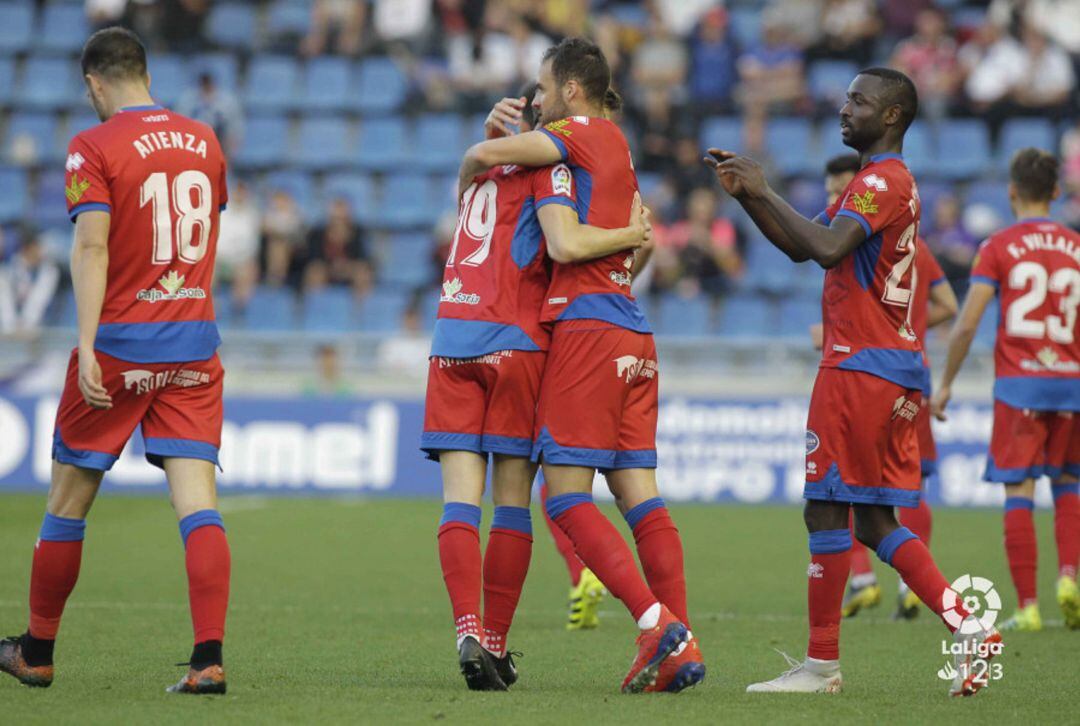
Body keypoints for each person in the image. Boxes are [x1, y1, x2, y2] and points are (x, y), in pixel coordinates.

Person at [706, 67, 1001, 697]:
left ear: (891, 116)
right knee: (870, 520)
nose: (845, 109)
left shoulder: (881, 181)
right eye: (845, 98)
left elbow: (829, 247)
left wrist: (765, 186)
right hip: (887, 366)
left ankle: (821, 667)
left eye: (859, 101)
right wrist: (750, 196)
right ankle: (969, 624)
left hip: (859, 364)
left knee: (823, 508)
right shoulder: (880, 183)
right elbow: (798, 246)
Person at [457, 38, 704, 694]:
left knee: (563, 497)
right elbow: (639, 250)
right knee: (639, 497)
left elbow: (556, 233)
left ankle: (658, 627)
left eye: (541, 87)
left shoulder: (570, 140)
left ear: (569, 90)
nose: (534, 100)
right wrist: (627, 241)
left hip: (587, 331)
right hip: (631, 327)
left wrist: (487, 143)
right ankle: (684, 638)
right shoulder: (617, 152)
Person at [0, 28, 231, 695]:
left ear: (94, 82)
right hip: (192, 343)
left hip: (122, 344)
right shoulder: (205, 140)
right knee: (198, 504)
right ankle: (207, 659)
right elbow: (202, 233)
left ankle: (37, 651)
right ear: (145, 72)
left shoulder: (93, 144)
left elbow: (93, 248)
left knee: (68, 500)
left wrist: (89, 342)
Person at [426, 73, 650, 691]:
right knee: (512, 503)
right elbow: (565, 245)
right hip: (516, 344)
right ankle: (494, 643)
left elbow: (476, 178)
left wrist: (485, 142)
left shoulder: (475, 178)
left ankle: (466, 627)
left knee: (457, 502)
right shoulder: (551, 172)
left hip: (451, 338)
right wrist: (634, 235)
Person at [932, 148, 1080, 632]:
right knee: (1068, 486)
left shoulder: (997, 246)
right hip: (1072, 385)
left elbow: (968, 322)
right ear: (1057, 192)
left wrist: (946, 383)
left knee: (1020, 491)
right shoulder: (1077, 247)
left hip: (1020, 387)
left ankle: (1030, 606)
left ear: (1012, 192)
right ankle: (1069, 577)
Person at [0, 233, 61, 336]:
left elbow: (39, 301)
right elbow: (4, 301)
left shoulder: (48, 272)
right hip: (10, 331)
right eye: (37, 248)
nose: (40, 252)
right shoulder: (7, 270)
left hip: (40, 330)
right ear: (27, 249)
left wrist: (27, 325)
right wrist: (11, 327)